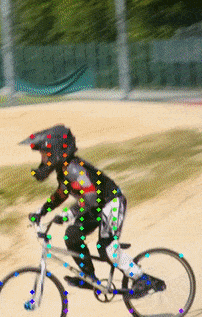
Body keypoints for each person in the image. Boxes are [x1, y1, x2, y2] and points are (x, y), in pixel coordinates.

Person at [20, 124, 154, 298]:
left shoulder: (75, 169)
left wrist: (69, 213)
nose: (43, 159)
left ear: (56, 152)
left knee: (106, 248)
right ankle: (90, 278)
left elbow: (91, 197)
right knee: (72, 235)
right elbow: (61, 194)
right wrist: (42, 211)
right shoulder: (64, 170)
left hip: (111, 203)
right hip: (96, 208)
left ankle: (143, 279)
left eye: (44, 154)